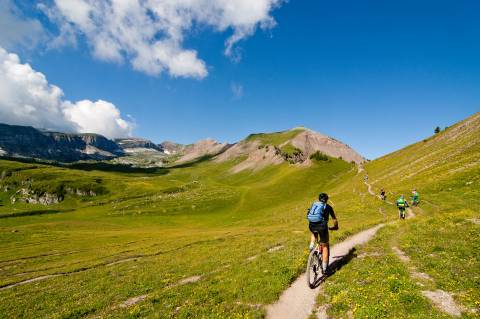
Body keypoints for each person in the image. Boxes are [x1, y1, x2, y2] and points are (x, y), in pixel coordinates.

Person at [307, 193, 339, 274]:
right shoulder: (328, 207)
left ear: (319, 199)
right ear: (327, 199)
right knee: (325, 246)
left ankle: (311, 246)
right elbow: (334, 219)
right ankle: (325, 269)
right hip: (322, 227)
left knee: (314, 232)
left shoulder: (314, 204)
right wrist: (335, 227)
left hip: (312, 225)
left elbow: (309, 214)